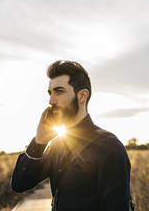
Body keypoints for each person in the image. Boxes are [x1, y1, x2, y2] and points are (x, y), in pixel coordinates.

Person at [11, 60, 131, 211]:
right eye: (50, 93)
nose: (51, 100)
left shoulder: (109, 148)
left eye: (59, 91)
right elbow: (20, 184)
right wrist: (39, 140)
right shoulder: (57, 144)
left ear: (82, 96)